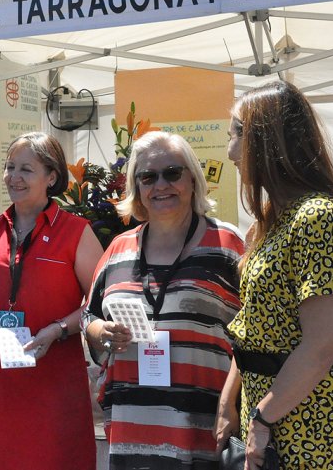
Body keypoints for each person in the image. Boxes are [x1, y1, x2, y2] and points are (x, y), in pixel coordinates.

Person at [215, 81, 333, 469]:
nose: (229, 151)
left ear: (268, 141)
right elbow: (254, 325)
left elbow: (321, 346)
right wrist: (228, 402)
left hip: (312, 422)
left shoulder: (317, 217)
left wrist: (262, 420)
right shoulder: (271, 221)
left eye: (235, 134)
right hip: (272, 411)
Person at [82, 130, 245, 470]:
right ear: (137, 188)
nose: (161, 185)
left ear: (193, 180)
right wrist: (100, 332)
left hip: (204, 426)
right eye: (148, 177)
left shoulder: (227, 245)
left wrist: (232, 404)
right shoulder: (117, 250)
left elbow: (257, 331)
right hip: (132, 429)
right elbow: (89, 315)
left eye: (172, 173)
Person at [0, 132, 104, 470]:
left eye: (26, 169)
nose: (13, 177)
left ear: (51, 177)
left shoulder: (76, 231)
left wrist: (59, 329)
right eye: (9, 167)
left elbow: (100, 301)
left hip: (53, 383)